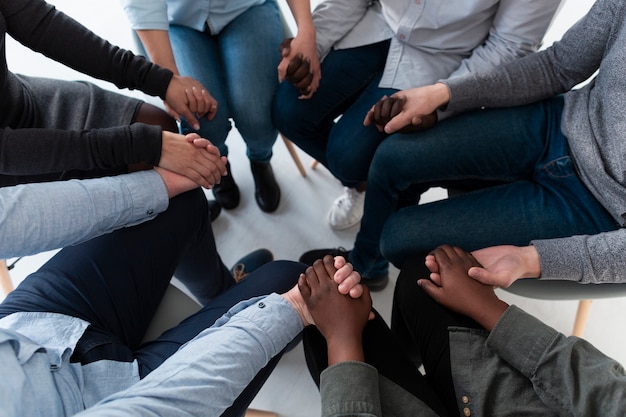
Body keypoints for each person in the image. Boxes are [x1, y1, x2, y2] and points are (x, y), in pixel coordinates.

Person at [300, 0, 625, 291]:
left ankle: (396, 303)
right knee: (390, 156)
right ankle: (365, 262)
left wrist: (535, 259)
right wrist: (444, 94)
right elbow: (558, 65)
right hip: (559, 124)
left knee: (399, 239)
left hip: (599, 204)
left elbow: (510, 43)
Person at [1, 184, 346, 417]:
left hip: (32, 327)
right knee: (286, 280)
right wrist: (290, 310)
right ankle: (242, 304)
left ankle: (224, 294)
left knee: (176, 198)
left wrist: (150, 180)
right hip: (121, 398)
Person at [273, 0, 561, 232]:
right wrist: (315, 40)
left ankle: (373, 195)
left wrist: (441, 99)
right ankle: (366, 186)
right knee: (287, 112)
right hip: (374, 22)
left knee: (347, 157)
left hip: (444, 59)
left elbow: (509, 46)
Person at [303, 244, 626, 416]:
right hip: (501, 401)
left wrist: (342, 337)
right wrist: (487, 308)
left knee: (313, 315)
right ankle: (409, 358)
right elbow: (600, 391)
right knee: (424, 273)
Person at [1, 0, 225, 216]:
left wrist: (160, 81)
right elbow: (6, 152)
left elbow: (42, 24)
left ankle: (190, 226)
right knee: (133, 180)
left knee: (158, 125)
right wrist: (142, 144)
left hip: (26, 100)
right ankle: (171, 235)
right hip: (11, 165)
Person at [121, 0, 319, 213]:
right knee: (202, 122)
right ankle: (219, 168)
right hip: (177, 20)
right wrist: (167, 79)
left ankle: (261, 161)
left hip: (246, 8)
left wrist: (307, 33)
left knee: (257, 115)